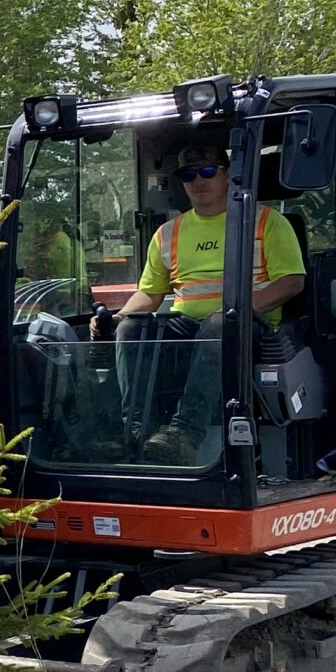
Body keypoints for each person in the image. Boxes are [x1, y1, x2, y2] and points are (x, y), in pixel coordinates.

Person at [106, 136, 306, 462]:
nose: (197, 181)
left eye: (208, 171)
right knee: (132, 329)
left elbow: (292, 282)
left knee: (219, 322)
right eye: (188, 175)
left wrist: (238, 310)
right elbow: (150, 293)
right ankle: (135, 430)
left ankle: (185, 434)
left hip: (249, 328)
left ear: (228, 174)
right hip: (188, 326)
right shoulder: (168, 233)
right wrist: (118, 317)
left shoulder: (266, 222)